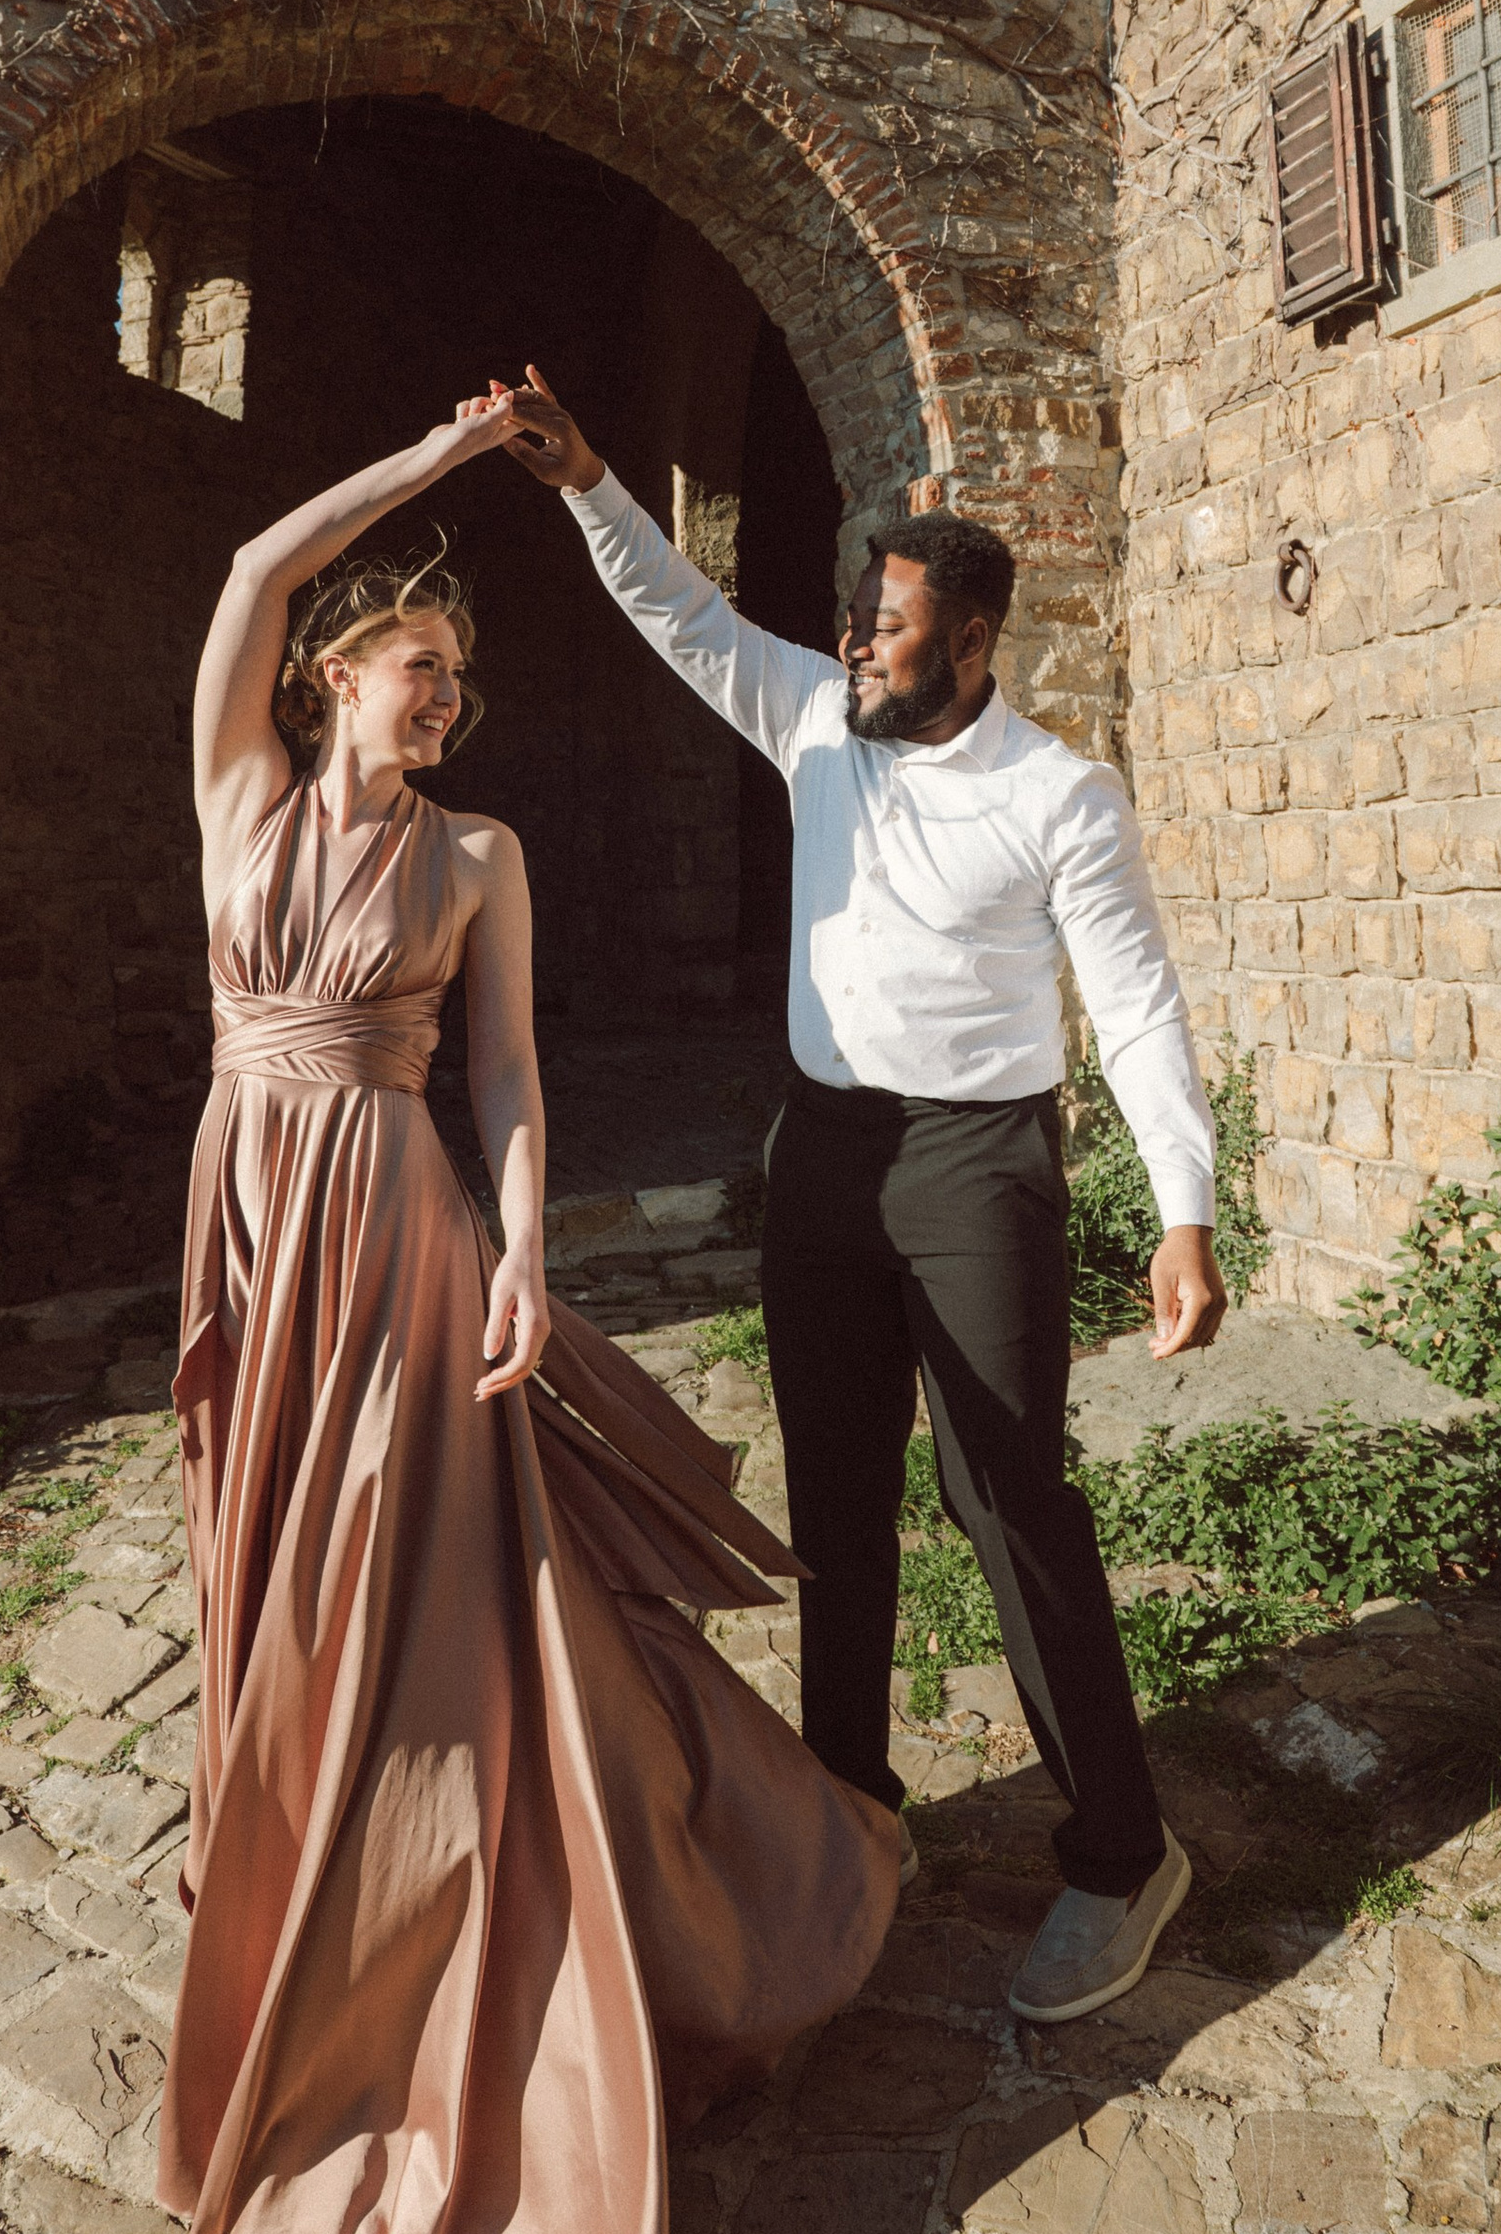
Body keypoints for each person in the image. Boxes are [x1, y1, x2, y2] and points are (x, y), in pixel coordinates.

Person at [155, 394, 897, 2234]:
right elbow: (248, 568)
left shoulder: (480, 853)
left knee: (421, 1598)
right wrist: (430, 459)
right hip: (253, 1232)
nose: (445, 699)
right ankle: (295, 1880)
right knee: (276, 1577)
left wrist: (524, 1253)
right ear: (332, 678)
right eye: (421, 666)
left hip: (398, 1236)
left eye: (461, 681)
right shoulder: (238, 794)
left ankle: (452, 1929)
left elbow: (502, 1078)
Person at [499, 367, 1227, 2026]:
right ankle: (845, 1817)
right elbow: (683, 617)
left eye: (889, 625)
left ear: (974, 643)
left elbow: (1132, 1003)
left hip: (978, 1167)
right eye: (853, 615)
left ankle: (1122, 1853)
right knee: (834, 1501)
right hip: (820, 1155)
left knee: (1004, 1497)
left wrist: (1182, 1207)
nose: (854, 642)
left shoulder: (1059, 796)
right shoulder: (817, 718)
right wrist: (590, 477)